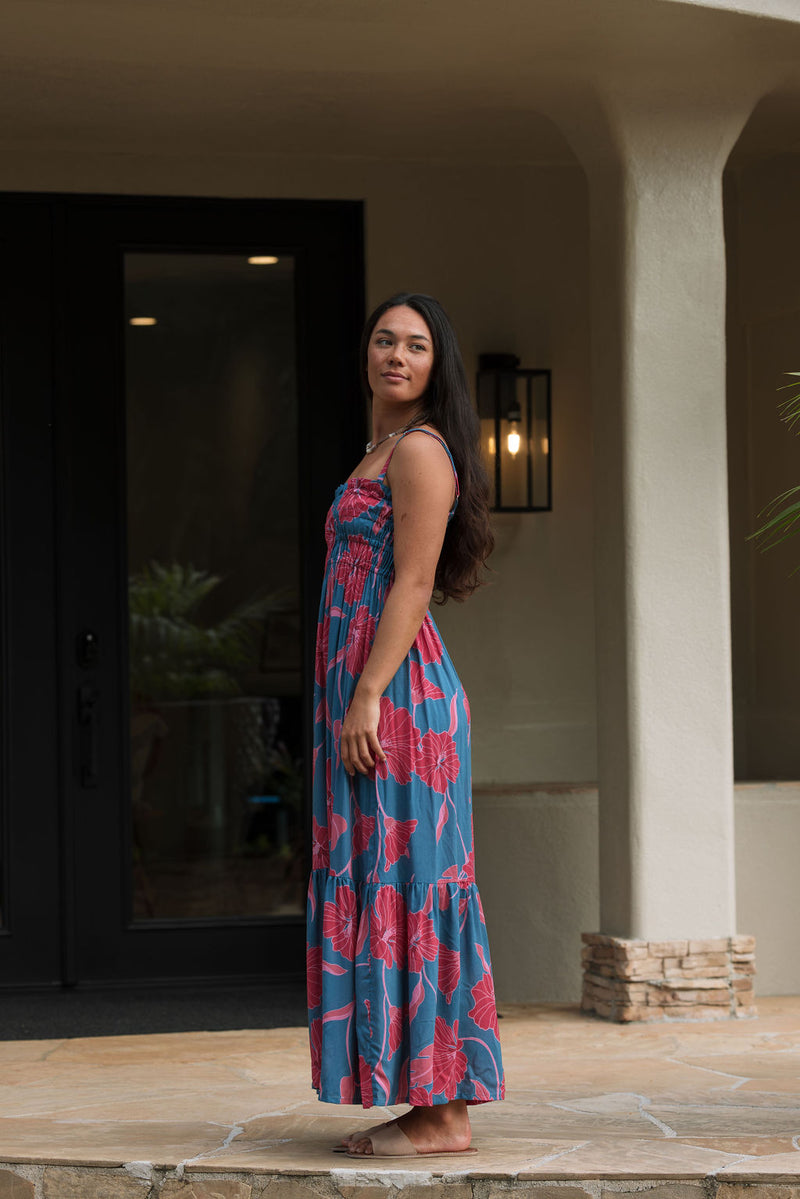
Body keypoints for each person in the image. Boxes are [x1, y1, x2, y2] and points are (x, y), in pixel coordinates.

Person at [306, 292, 505, 1160]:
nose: (396, 354)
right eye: (384, 339)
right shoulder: (377, 449)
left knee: (411, 886)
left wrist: (366, 694)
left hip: (399, 704)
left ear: (436, 364)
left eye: (416, 345)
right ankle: (431, 1105)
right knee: (382, 884)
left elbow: (414, 582)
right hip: (369, 697)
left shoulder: (421, 452)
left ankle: (439, 1114)